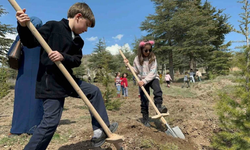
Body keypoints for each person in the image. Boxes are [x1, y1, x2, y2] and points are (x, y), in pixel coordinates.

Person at [16, 3, 118, 149]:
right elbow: (30, 42)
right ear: (78, 17)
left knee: (93, 91)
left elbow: (76, 60)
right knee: (50, 122)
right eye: (86, 25)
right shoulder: (53, 27)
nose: (86, 30)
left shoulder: (78, 41)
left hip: (67, 80)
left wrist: (63, 57)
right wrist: (23, 26)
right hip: (50, 81)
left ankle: (98, 131)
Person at [8, 17, 44, 136]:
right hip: (38, 73)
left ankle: (17, 128)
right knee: (36, 101)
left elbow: (11, 54)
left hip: (23, 73)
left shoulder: (20, 37)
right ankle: (34, 127)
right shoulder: (42, 38)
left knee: (21, 101)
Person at [124, 40, 168, 127]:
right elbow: (136, 71)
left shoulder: (153, 58)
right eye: (146, 50)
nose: (148, 52)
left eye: (150, 50)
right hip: (142, 81)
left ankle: (159, 107)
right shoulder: (137, 59)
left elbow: (153, 72)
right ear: (141, 50)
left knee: (158, 91)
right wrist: (127, 66)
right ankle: (145, 118)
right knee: (144, 99)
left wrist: (144, 81)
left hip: (152, 78)